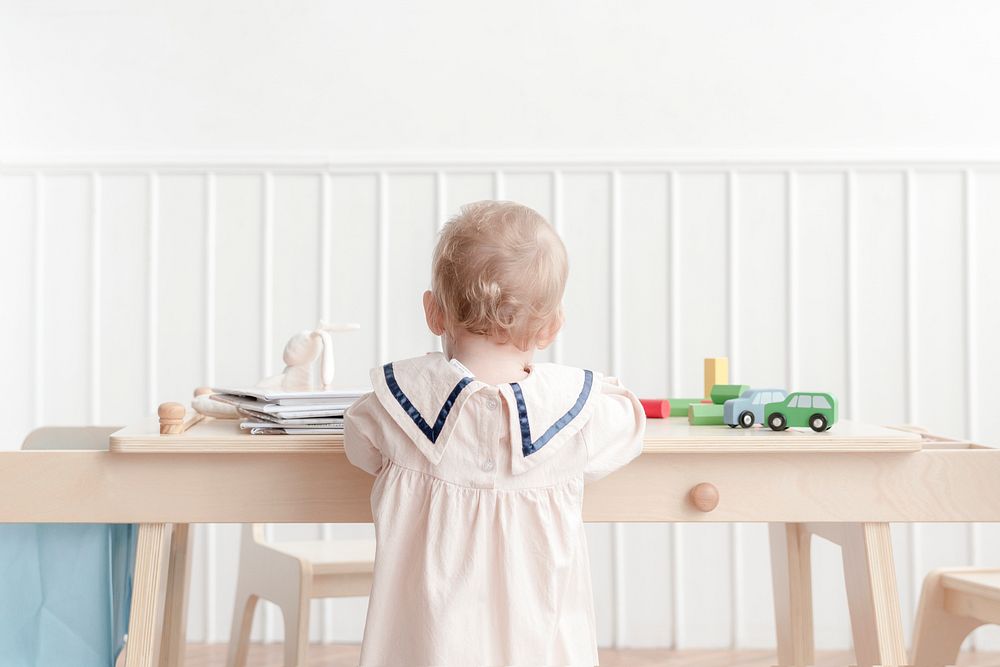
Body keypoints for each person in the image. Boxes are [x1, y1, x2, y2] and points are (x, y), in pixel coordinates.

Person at [344, 200, 645, 666]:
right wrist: (600, 385)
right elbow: (629, 425)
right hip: (537, 647)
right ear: (551, 328)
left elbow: (358, 441)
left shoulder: (399, 405)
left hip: (427, 648)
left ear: (433, 312)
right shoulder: (572, 412)